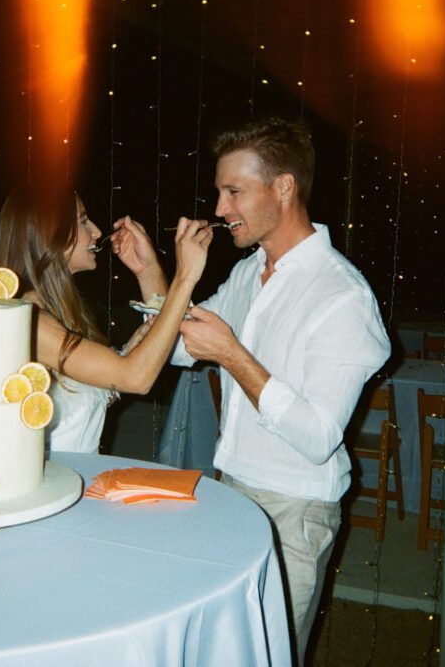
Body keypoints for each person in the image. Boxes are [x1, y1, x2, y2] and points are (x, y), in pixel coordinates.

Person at [118, 116, 391, 663]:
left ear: (283, 188)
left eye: (233, 191)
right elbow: (176, 345)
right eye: (220, 191)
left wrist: (233, 356)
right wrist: (153, 274)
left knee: (266, 656)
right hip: (232, 491)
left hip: (295, 508)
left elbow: (317, 437)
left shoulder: (343, 295)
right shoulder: (249, 273)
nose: (219, 209)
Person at [0, 187, 213, 453]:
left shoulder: (58, 313)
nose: (97, 231)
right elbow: (136, 378)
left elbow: (91, 392)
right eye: (83, 221)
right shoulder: (32, 324)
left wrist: (147, 271)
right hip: (55, 487)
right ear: (50, 234)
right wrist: (186, 276)